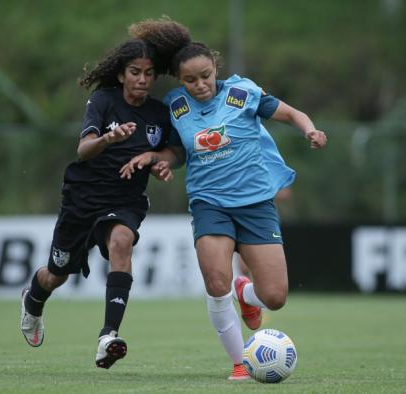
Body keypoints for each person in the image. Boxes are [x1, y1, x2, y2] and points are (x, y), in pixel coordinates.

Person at [120, 18, 327, 381]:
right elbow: (176, 151)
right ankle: (240, 364)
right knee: (216, 283)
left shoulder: (242, 93)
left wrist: (309, 129)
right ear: (179, 80)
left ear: (215, 67)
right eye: (190, 79)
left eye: (205, 75)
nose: (200, 85)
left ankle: (246, 295)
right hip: (209, 203)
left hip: (255, 203)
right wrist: (162, 162)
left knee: (275, 297)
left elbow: (291, 113)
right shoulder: (176, 106)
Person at [19, 37, 175, 370]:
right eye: (135, 72)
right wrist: (108, 138)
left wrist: (159, 161)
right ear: (122, 74)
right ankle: (32, 299)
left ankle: (108, 336)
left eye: (148, 73)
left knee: (122, 240)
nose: (142, 79)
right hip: (83, 198)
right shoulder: (103, 100)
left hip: (125, 200)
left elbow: (175, 152)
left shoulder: (159, 114)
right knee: (55, 275)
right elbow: (83, 149)